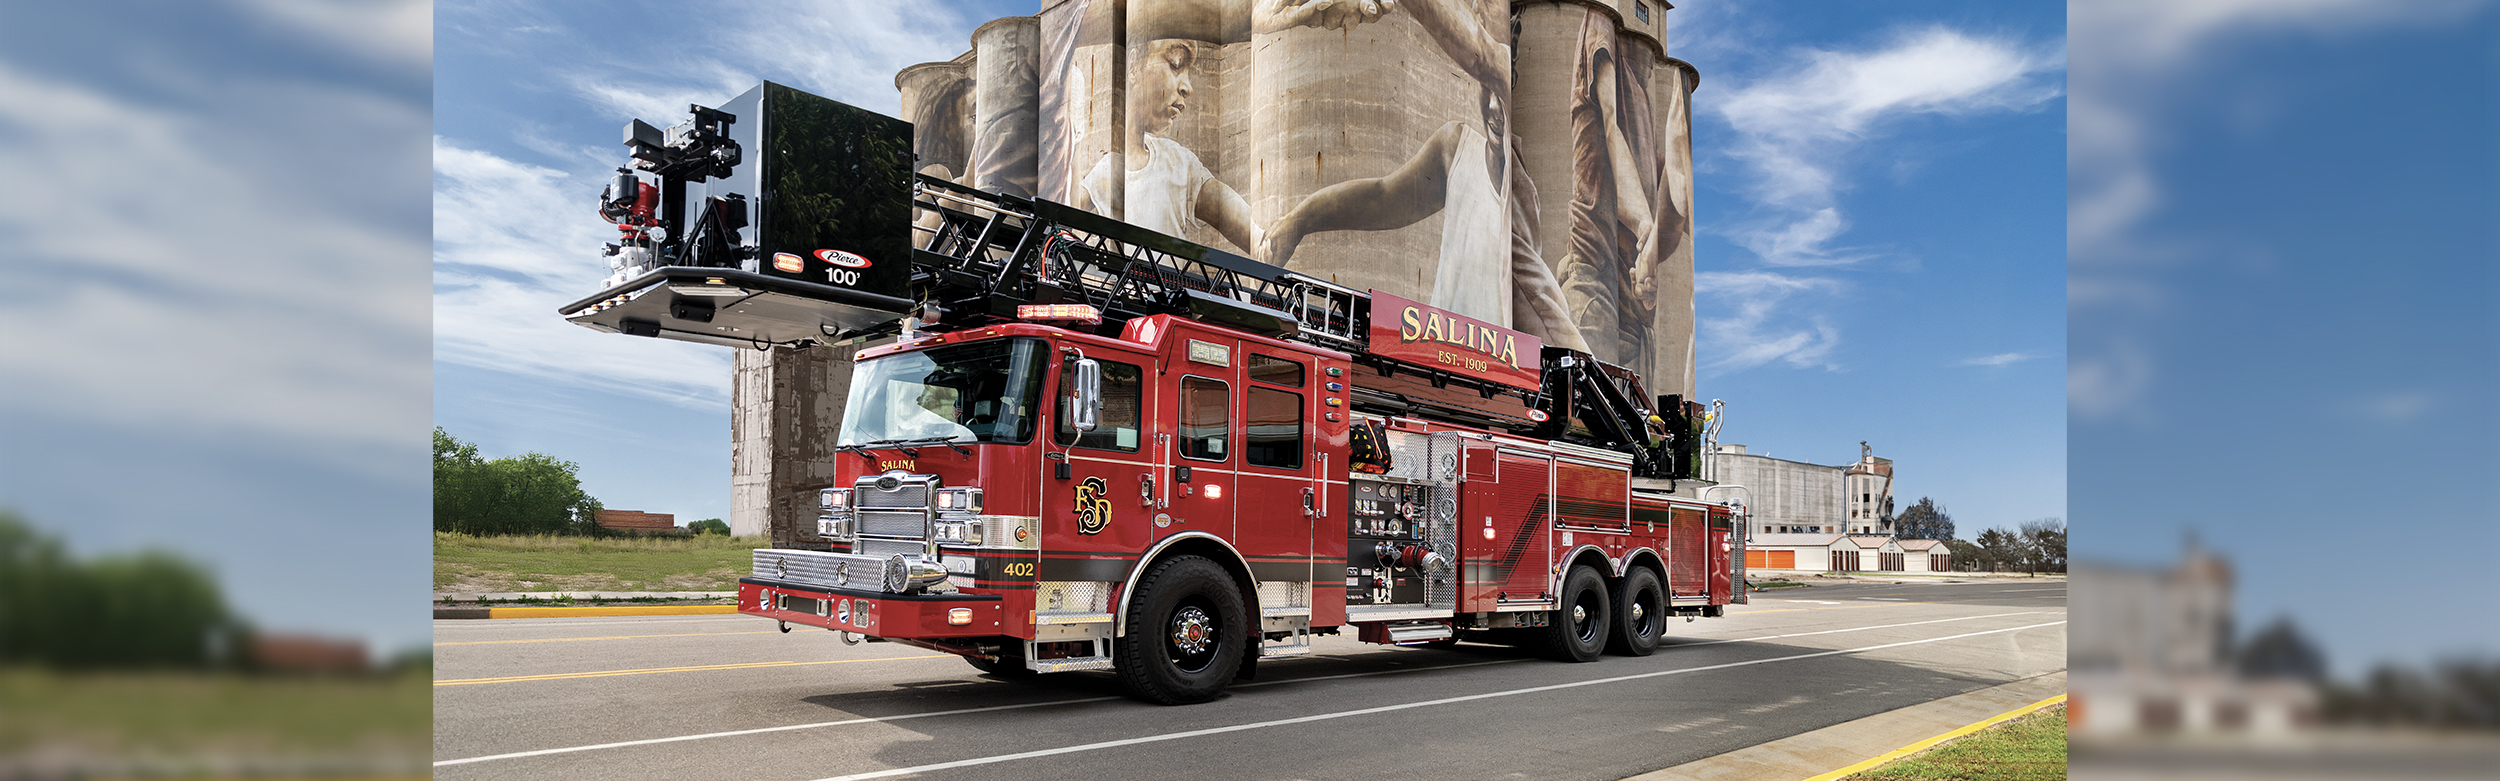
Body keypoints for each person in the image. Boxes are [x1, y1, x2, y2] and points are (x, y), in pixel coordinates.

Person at [1256, 0, 1589, 352]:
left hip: (1496, 384)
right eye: (1485, 89)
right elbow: (1382, 198)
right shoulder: (1456, 149)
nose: (1493, 107)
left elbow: (1483, 57)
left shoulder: (1515, 185)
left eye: (1500, 91)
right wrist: (1299, 221)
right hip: (1443, 370)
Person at [1073, 38, 1262, 255]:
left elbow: (1261, 243)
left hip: (1167, 286)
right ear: (1133, 65)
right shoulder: (1108, 169)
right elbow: (1060, 217)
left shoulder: (1179, 163)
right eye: (1175, 63)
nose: (1188, 87)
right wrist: (1073, 128)